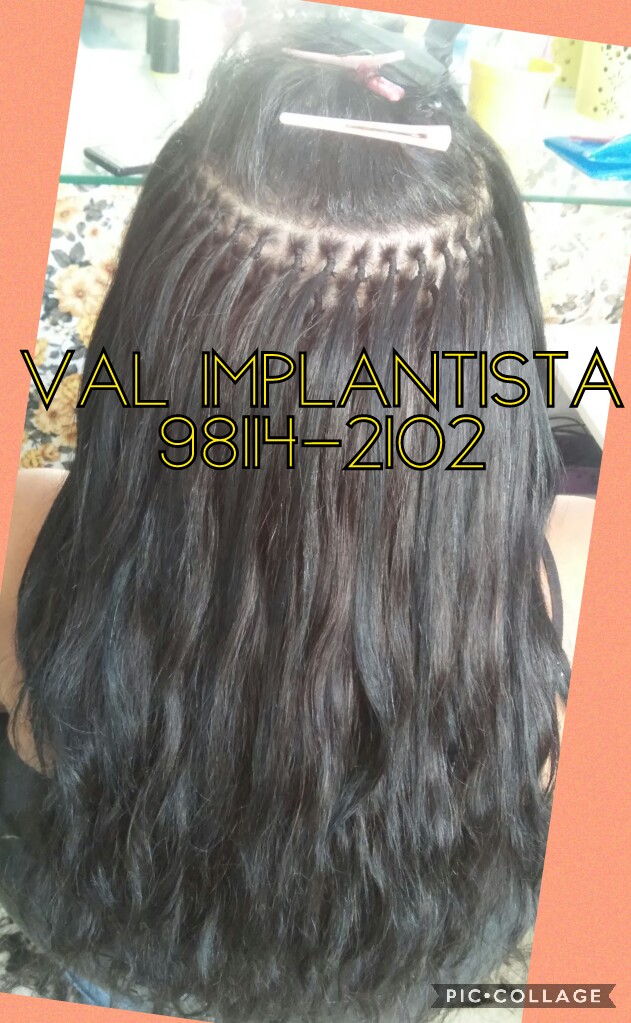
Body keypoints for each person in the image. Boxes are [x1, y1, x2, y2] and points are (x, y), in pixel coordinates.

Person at [0, 15, 594, 1022]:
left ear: (148, 319)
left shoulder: (18, 539)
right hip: (399, 983)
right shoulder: (577, 583)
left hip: (122, 963)